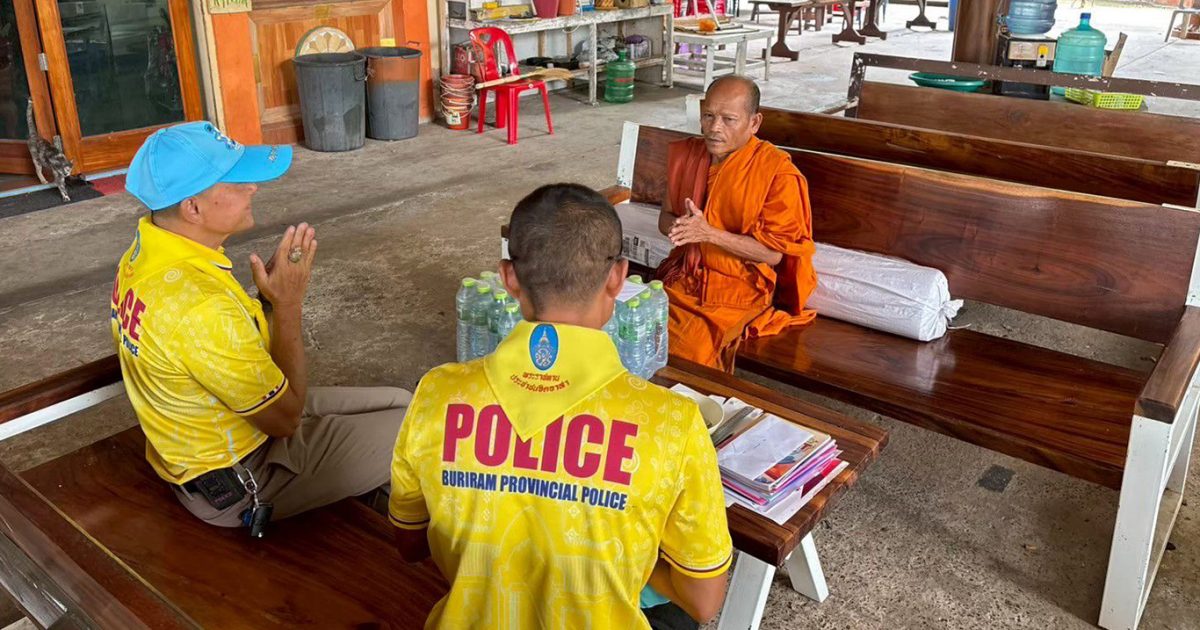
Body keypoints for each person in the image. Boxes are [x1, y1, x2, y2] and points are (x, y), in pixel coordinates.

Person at [389, 184, 733, 629]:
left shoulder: (436, 394)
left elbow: (410, 545)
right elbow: (704, 601)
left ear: (508, 278)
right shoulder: (672, 422)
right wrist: (627, 554)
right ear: (618, 278)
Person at [112, 122, 408, 532]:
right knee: (436, 428)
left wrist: (267, 301)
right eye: (236, 182)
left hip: (225, 433)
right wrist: (287, 303)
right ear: (193, 208)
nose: (252, 188)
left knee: (404, 401)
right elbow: (285, 420)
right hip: (243, 476)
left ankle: (373, 494)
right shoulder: (200, 305)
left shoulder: (147, 254)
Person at [657, 75, 817, 371]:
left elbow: (773, 254)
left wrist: (708, 234)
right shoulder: (687, 155)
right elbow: (664, 217)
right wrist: (682, 228)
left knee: (682, 354)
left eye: (728, 119)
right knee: (632, 330)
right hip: (683, 277)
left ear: (754, 123)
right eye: (708, 116)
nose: (714, 128)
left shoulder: (776, 172)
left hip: (738, 290)